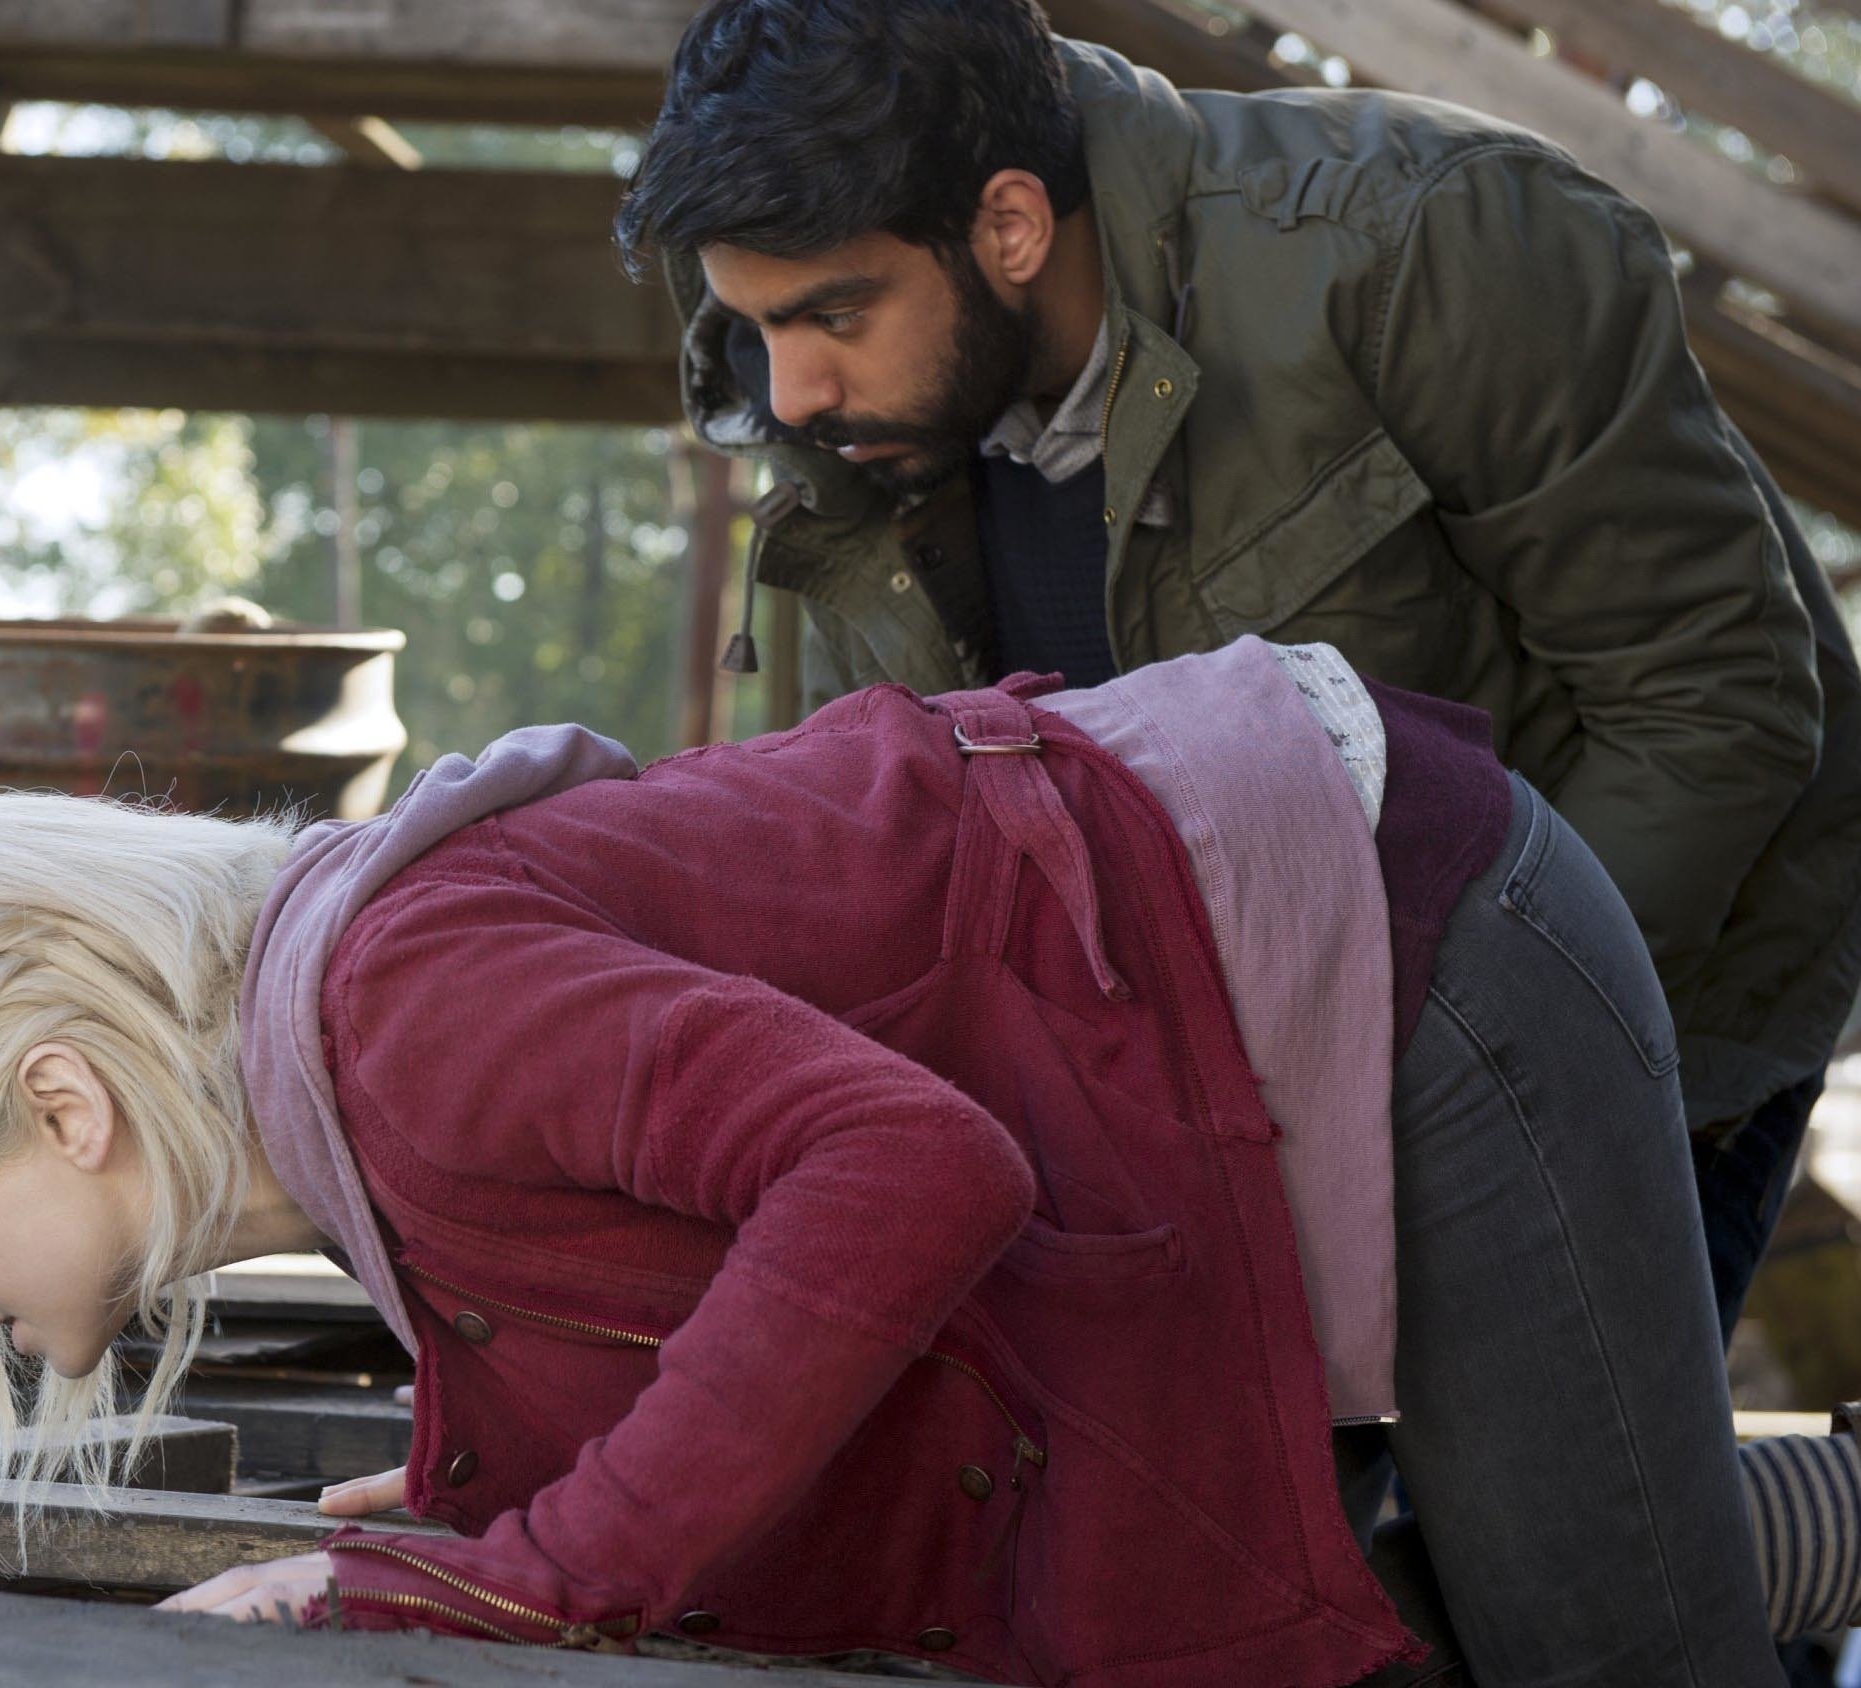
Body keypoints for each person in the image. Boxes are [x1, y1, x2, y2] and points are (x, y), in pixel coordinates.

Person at [0, 642, 1861, 1688]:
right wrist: (519, 1481)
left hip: (1416, 947)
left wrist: (535, 1563)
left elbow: (905, 1167)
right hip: (1226, 1035)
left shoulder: (398, 1007)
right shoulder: (337, 1076)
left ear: (64, 1101)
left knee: (1610, 1664)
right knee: (1473, 1584)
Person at [613, 0, 1861, 1341]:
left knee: (1536, 1472)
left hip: (1646, 978)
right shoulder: (849, 404)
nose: (790, 391)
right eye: (757, 326)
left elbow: (1710, 705)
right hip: (1241, 1088)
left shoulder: (1429, 246)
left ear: (1012, 227)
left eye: (833, 316)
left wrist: (1407, 1101)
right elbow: (876, 831)